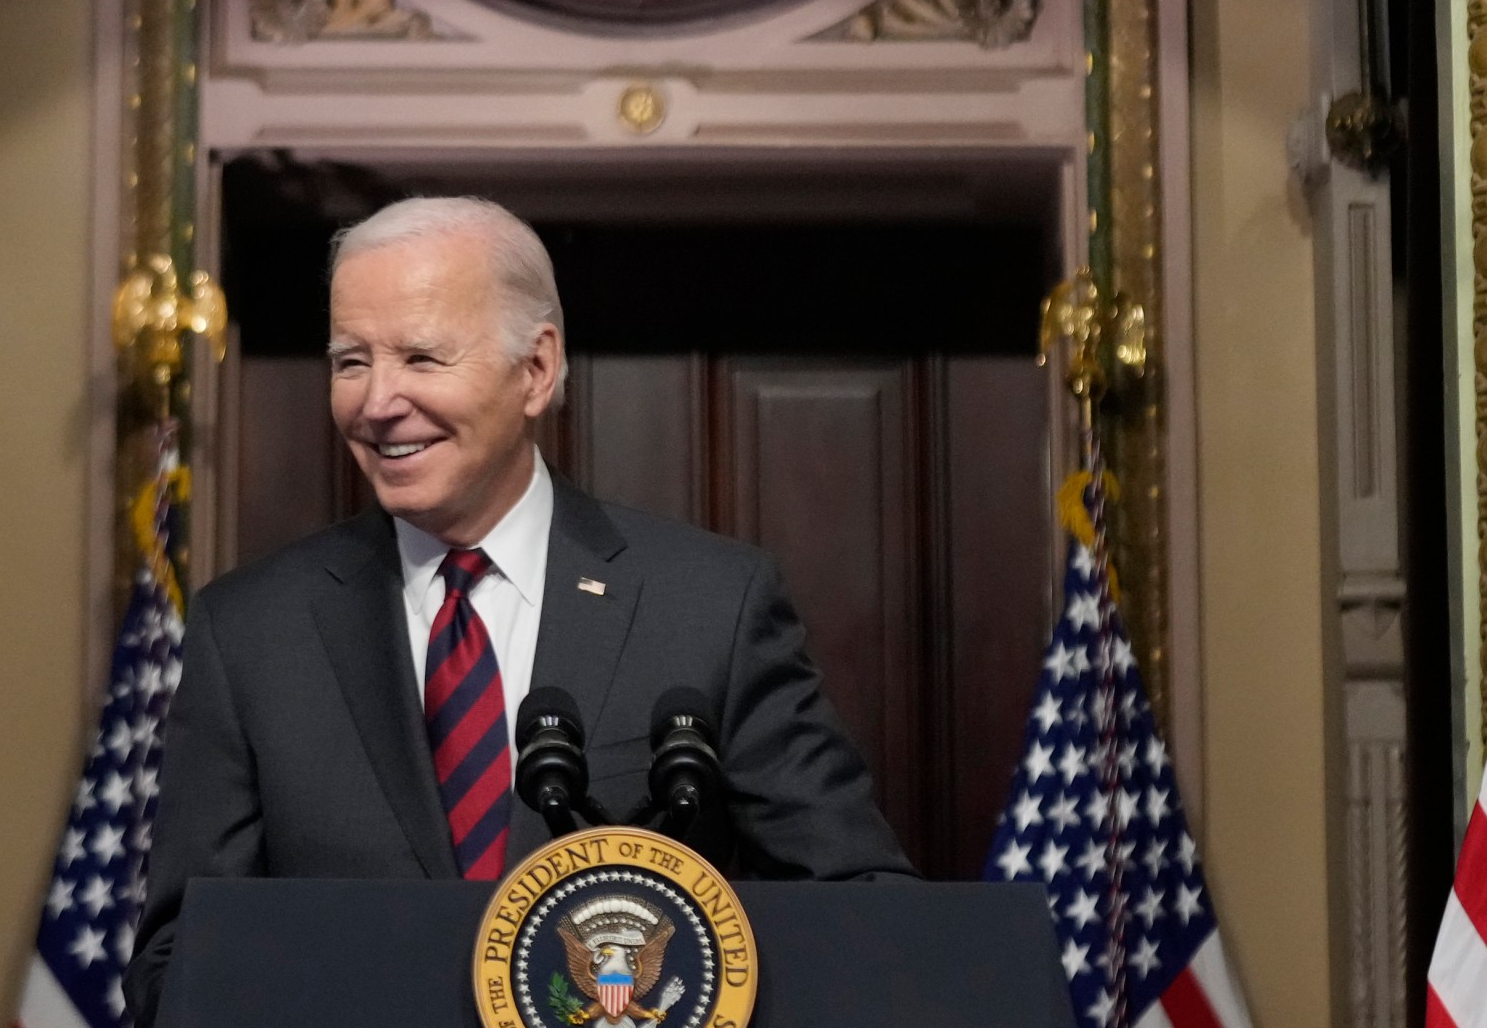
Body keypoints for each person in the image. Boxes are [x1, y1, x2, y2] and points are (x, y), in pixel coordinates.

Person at [125, 196, 911, 1024]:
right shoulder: (250, 633)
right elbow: (179, 965)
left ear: (535, 370)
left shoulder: (709, 606)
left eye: (422, 357)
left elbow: (863, 911)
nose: (377, 400)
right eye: (351, 360)